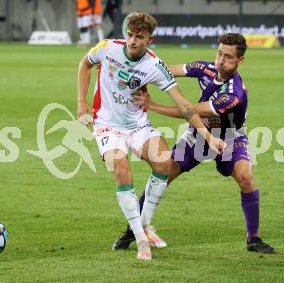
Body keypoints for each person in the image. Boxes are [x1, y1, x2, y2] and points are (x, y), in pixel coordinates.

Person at [77, 12, 225, 260]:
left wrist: (208, 138)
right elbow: (85, 64)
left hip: (137, 125)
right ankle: (142, 240)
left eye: (139, 37)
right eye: (130, 35)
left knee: (164, 162)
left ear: (150, 39)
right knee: (122, 171)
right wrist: (81, 103)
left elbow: (184, 105)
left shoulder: (155, 66)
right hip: (107, 125)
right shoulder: (108, 48)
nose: (133, 41)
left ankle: (142, 227)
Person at [112, 33, 276, 254]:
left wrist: (152, 105)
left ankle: (254, 239)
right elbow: (164, 69)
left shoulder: (234, 93)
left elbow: (189, 112)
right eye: (219, 53)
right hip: (199, 136)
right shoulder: (205, 68)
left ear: (240, 61)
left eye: (228, 57)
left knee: (246, 177)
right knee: (164, 173)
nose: (220, 60)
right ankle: (133, 231)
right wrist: (132, 71)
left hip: (229, 140)